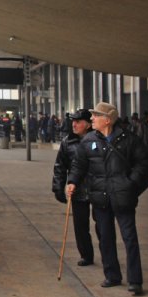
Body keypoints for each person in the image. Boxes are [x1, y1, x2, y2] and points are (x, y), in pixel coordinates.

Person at [67, 102, 148, 295]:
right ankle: (112, 275)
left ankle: (135, 281)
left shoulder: (129, 140)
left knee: (130, 239)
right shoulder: (88, 141)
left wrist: (130, 184)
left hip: (123, 197)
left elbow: (144, 163)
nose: (92, 119)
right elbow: (79, 165)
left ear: (107, 120)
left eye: (96, 116)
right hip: (100, 198)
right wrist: (72, 181)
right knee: (105, 238)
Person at [51, 109, 96, 267]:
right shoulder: (67, 142)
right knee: (80, 225)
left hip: (98, 189)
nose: (74, 124)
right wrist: (58, 187)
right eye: (73, 121)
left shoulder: (98, 140)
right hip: (77, 189)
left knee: (102, 226)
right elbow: (60, 167)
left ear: (88, 124)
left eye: (78, 122)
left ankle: (108, 256)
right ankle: (86, 255)